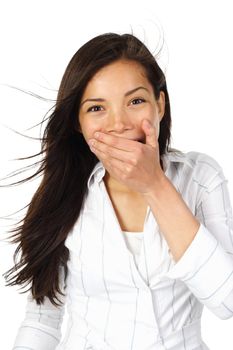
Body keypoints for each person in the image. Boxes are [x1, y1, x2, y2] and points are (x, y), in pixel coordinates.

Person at [3, 32, 233, 350]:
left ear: (160, 105)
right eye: (97, 108)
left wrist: (154, 185)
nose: (119, 123)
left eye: (135, 101)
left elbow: (227, 300)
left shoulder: (201, 178)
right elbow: (41, 321)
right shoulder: (64, 195)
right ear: (78, 123)